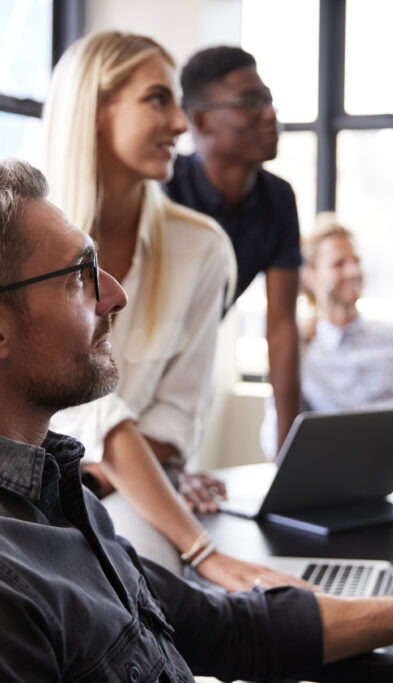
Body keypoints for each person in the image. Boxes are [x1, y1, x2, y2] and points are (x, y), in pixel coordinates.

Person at [0, 158, 393, 680]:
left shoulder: (73, 506)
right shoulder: (13, 586)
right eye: (80, 273)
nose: (115, 294)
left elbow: (230, 628)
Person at [41, 30, 308, 591]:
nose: (181, 125)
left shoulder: (203, 248)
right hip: (25, 472)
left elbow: (176, 419)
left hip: (122, 486)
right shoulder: (19, 235)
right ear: (95, 107)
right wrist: (205, 549)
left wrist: (115, 469)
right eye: (157, 100)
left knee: (154, 580)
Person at [165, 46, 301, 456]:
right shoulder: (164, 191)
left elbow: (281, 329)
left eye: (269, 99)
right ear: (202, 120)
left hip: (193, 367)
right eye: (250, 103)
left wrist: (286, 456)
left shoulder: (278, 199)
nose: (270, 114)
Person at [261, 214, 393, 459]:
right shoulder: (301, 355)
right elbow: (276, 443)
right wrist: (291, 351)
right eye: (339, 264)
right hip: (340, 484)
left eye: (356, 261)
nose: (353, 271)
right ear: (310, 275)